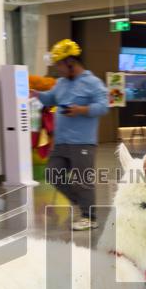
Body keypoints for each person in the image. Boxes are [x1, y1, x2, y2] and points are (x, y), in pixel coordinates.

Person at [38, 39, 109, 231]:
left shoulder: (92, 83)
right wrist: (35, 94)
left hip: (82, 142)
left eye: (59, 64)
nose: (57, 69)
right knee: (52, 174)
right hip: (61, 142)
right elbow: (50, 98)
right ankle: (80, 201)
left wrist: (81, 110)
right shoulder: (61, 83)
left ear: (70, 62)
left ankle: (89, 217)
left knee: (83, 180)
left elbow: (104, 106)